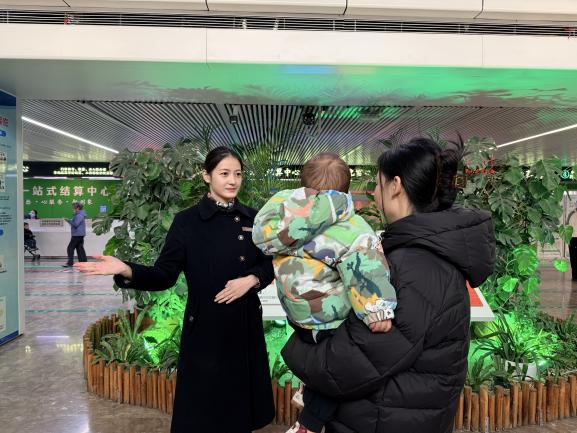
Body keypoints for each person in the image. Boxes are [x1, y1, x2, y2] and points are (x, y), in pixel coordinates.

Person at [282, 137, 496, 433]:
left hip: (383, 420)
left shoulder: (415, 267)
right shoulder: (420, 254)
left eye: (378, 184)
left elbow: (346, 365)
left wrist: (296, 346)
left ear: (395, 185)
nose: (374, 192)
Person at [75, 146, 276, 433]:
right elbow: (164, 275)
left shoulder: (253, 219)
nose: (232, 180)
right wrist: (126, 269)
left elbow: (270, 263)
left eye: (238, 174)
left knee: (240, 412)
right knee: (204, 413)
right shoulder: (187, 222)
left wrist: (252, 279)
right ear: (206, 176)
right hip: (205, 328)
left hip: (245, 326)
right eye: (224, 173)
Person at [253, 153, 397, 433]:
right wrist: (378, 309)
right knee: (341, 369)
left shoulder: (281, 216)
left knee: (318, 354)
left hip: (298, 316)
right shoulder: (350, 228)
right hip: (329, 318)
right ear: (345, 191)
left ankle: (308, 385)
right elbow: (366, 271)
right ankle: (308, 424)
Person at [63, 202, 87, 267]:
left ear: (78, 208)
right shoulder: (80, 214)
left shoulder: (79, 215)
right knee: (80, 249)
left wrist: (68, 221)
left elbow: (75, 224)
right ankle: (83, 262)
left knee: (70, 248)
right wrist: (70, 221)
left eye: (74, 208)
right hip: (79, 234)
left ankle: (70, 263)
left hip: (77, 234)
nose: (73, 209)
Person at [568, 205, 577, 281]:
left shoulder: (572, 214)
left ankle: (575, 276)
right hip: (574, 238)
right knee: (574, 258)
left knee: (574, 258)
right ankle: (575, 276)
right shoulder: (573, 214)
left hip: (573, 239)